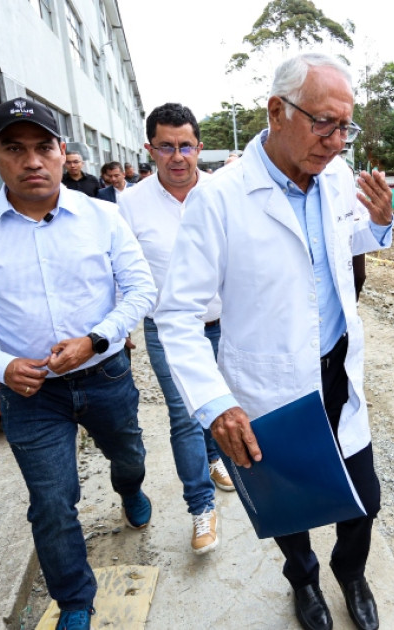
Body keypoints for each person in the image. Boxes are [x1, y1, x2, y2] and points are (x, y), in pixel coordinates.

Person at [156, 53, 393, 630]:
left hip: (337, 368)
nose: (337, 141)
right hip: (269, 383)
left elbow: (342, 244)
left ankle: (350, 572)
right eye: (323, 123)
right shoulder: (220, 198)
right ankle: (304, 580)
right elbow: (177, 315)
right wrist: (214, 404)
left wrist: (380, 224)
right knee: (290, 504)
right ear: (276, 111)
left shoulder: (336, 179)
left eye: (345, 127)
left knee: (364, 497)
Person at [0, 98, 157, 630]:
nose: (32, 161)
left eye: (43, 147)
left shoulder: (103, 217)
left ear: (62, 153)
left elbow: (140, 288)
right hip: (29, 393)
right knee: (52, 501)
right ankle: (76, 600)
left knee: (128, 454)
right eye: (15, 149)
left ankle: (129, 488)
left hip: (104, 375)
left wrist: (96, 338)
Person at [118, 102, 234, 556]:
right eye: (166, 147)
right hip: (166, 330)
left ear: (199, 147)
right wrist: (120, 324)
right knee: (185, 415)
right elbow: (122, 271)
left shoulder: (224, 192)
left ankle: (214, 457)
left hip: (227, 323)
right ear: (150, 149)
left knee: (219, 401)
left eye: (186, 145)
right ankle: (200, 509)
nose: (177, 156)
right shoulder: (130, 205)